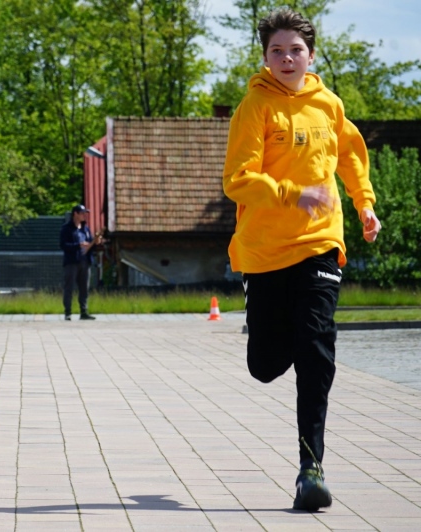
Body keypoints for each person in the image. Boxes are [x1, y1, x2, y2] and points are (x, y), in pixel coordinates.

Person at [223, 8, 381, 512]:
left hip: (319, 244)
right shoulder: (255, 106)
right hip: (266, 252)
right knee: (265, 366)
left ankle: (310, 468)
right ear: (265, 56)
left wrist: (364, 203)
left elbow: (351, 154)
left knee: (317, 350)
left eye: (295, 50)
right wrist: (293, 193)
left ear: (311, 55)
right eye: (276, 51)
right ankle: (289, 332)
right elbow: (238, 180)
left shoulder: (328, 105)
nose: (286, 59)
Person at [60, 204, 101, 320]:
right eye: (82, 213)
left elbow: (90, 245)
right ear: (75, 214)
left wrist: (96, 243)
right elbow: (63, 245)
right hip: (72, 262)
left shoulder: (86, 229)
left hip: (85, 262)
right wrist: (78, 245)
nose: (84, 216)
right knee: (69, 287)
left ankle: (84, 311)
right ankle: (68, 312)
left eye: (85, 213)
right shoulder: (66, 228)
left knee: (84, 288)